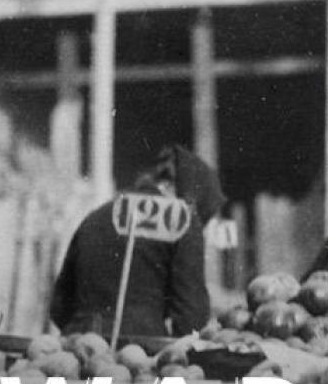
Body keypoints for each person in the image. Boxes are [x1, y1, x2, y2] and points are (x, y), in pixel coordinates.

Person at [50, 144, 224, 340]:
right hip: (139, 354)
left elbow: (59, 307)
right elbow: (192, 318)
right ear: (192, 195)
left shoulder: (97, 215)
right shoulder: (181, 219)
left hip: (76, 344)